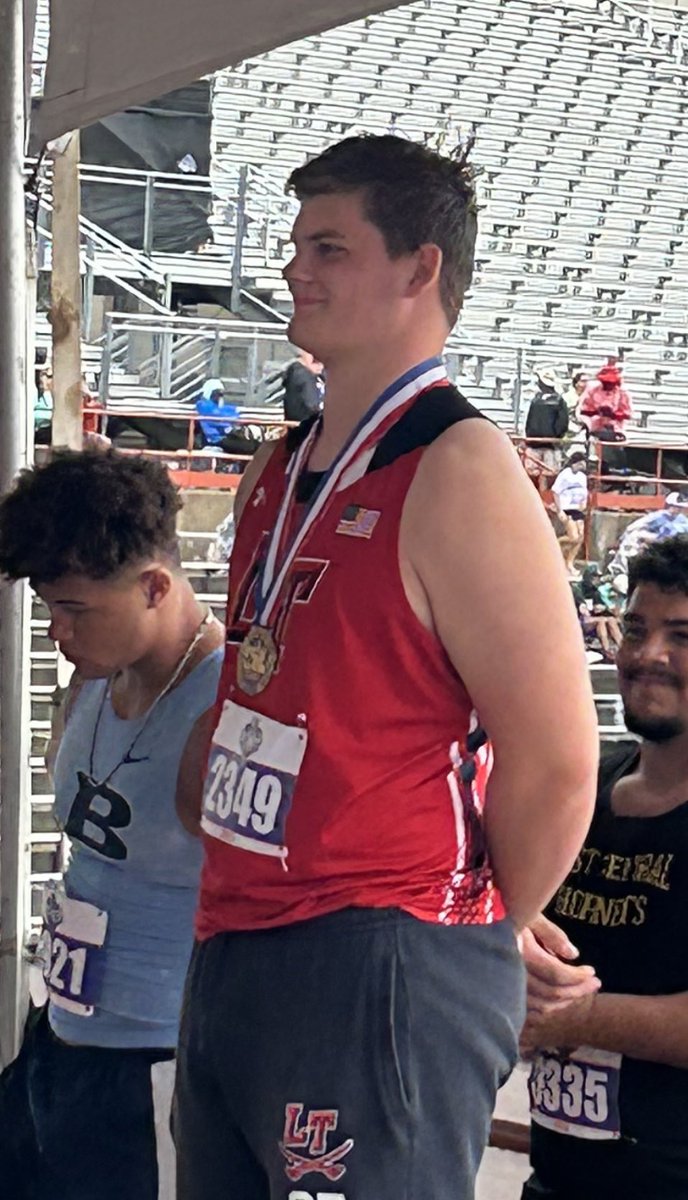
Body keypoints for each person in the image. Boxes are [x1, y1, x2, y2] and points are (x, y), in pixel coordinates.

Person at [174, 134, 598, 1200]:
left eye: (329, 247)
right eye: (295, 244)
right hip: (239, 930)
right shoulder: (284, 467)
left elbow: (556, 756)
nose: (293, 271)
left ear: (420, 270)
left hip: (377, 951)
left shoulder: (460, 468)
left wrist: (467, 934)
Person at [0, 450, 224, 1200]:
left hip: (153, 1061)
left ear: (155, 586)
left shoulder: (227, 708)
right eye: (50, 607)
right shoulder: (98, 670)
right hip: (60, 1030)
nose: (58, 631)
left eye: (75, 609)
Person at [521, 533, 688, 1200]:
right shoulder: (581, 786)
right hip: (557, 1179)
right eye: (638, 628)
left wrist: (570, 1020)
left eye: (681, 635)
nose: (649, 656)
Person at [608, 491, 688, 594]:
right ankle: (621, 570)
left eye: (679, 507)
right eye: (675, 506)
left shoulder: (683, 521)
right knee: (634, 536)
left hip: (675, 549)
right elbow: (632, 528)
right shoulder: (659, 516)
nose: (677, 509)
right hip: (660, 544)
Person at [551, 452, 589, 577]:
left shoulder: (582, 477)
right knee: (573, 537)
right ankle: (554, 542)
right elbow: (555, 491)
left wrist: (584, 502)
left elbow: (584, 492)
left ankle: (569, 563)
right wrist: (559, 510)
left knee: (580, 538)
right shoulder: (565, 474)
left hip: (578, 508)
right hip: (567, 508)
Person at [525, 368, 569, 473]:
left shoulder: (558, 401)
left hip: (550, 445)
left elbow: (562, 423)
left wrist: (555, 436)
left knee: (549, 472)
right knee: (532, 471)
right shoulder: (536, 400)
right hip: (534, 443)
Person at [578, 364, 633, 439]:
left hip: (616, 429)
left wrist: (612, 414)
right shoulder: (593, 391)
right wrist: (598, 411)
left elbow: (627, 414)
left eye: (610, 383)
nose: (608, 385)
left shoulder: (622, 394)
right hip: (595, 428)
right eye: (605, 382)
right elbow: (584, 410)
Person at [282, 348, 324, 423]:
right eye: (315, 361)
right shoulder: (303, 376)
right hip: (305, 426)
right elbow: (313, 405)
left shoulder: (317, 376)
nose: (320, 365)